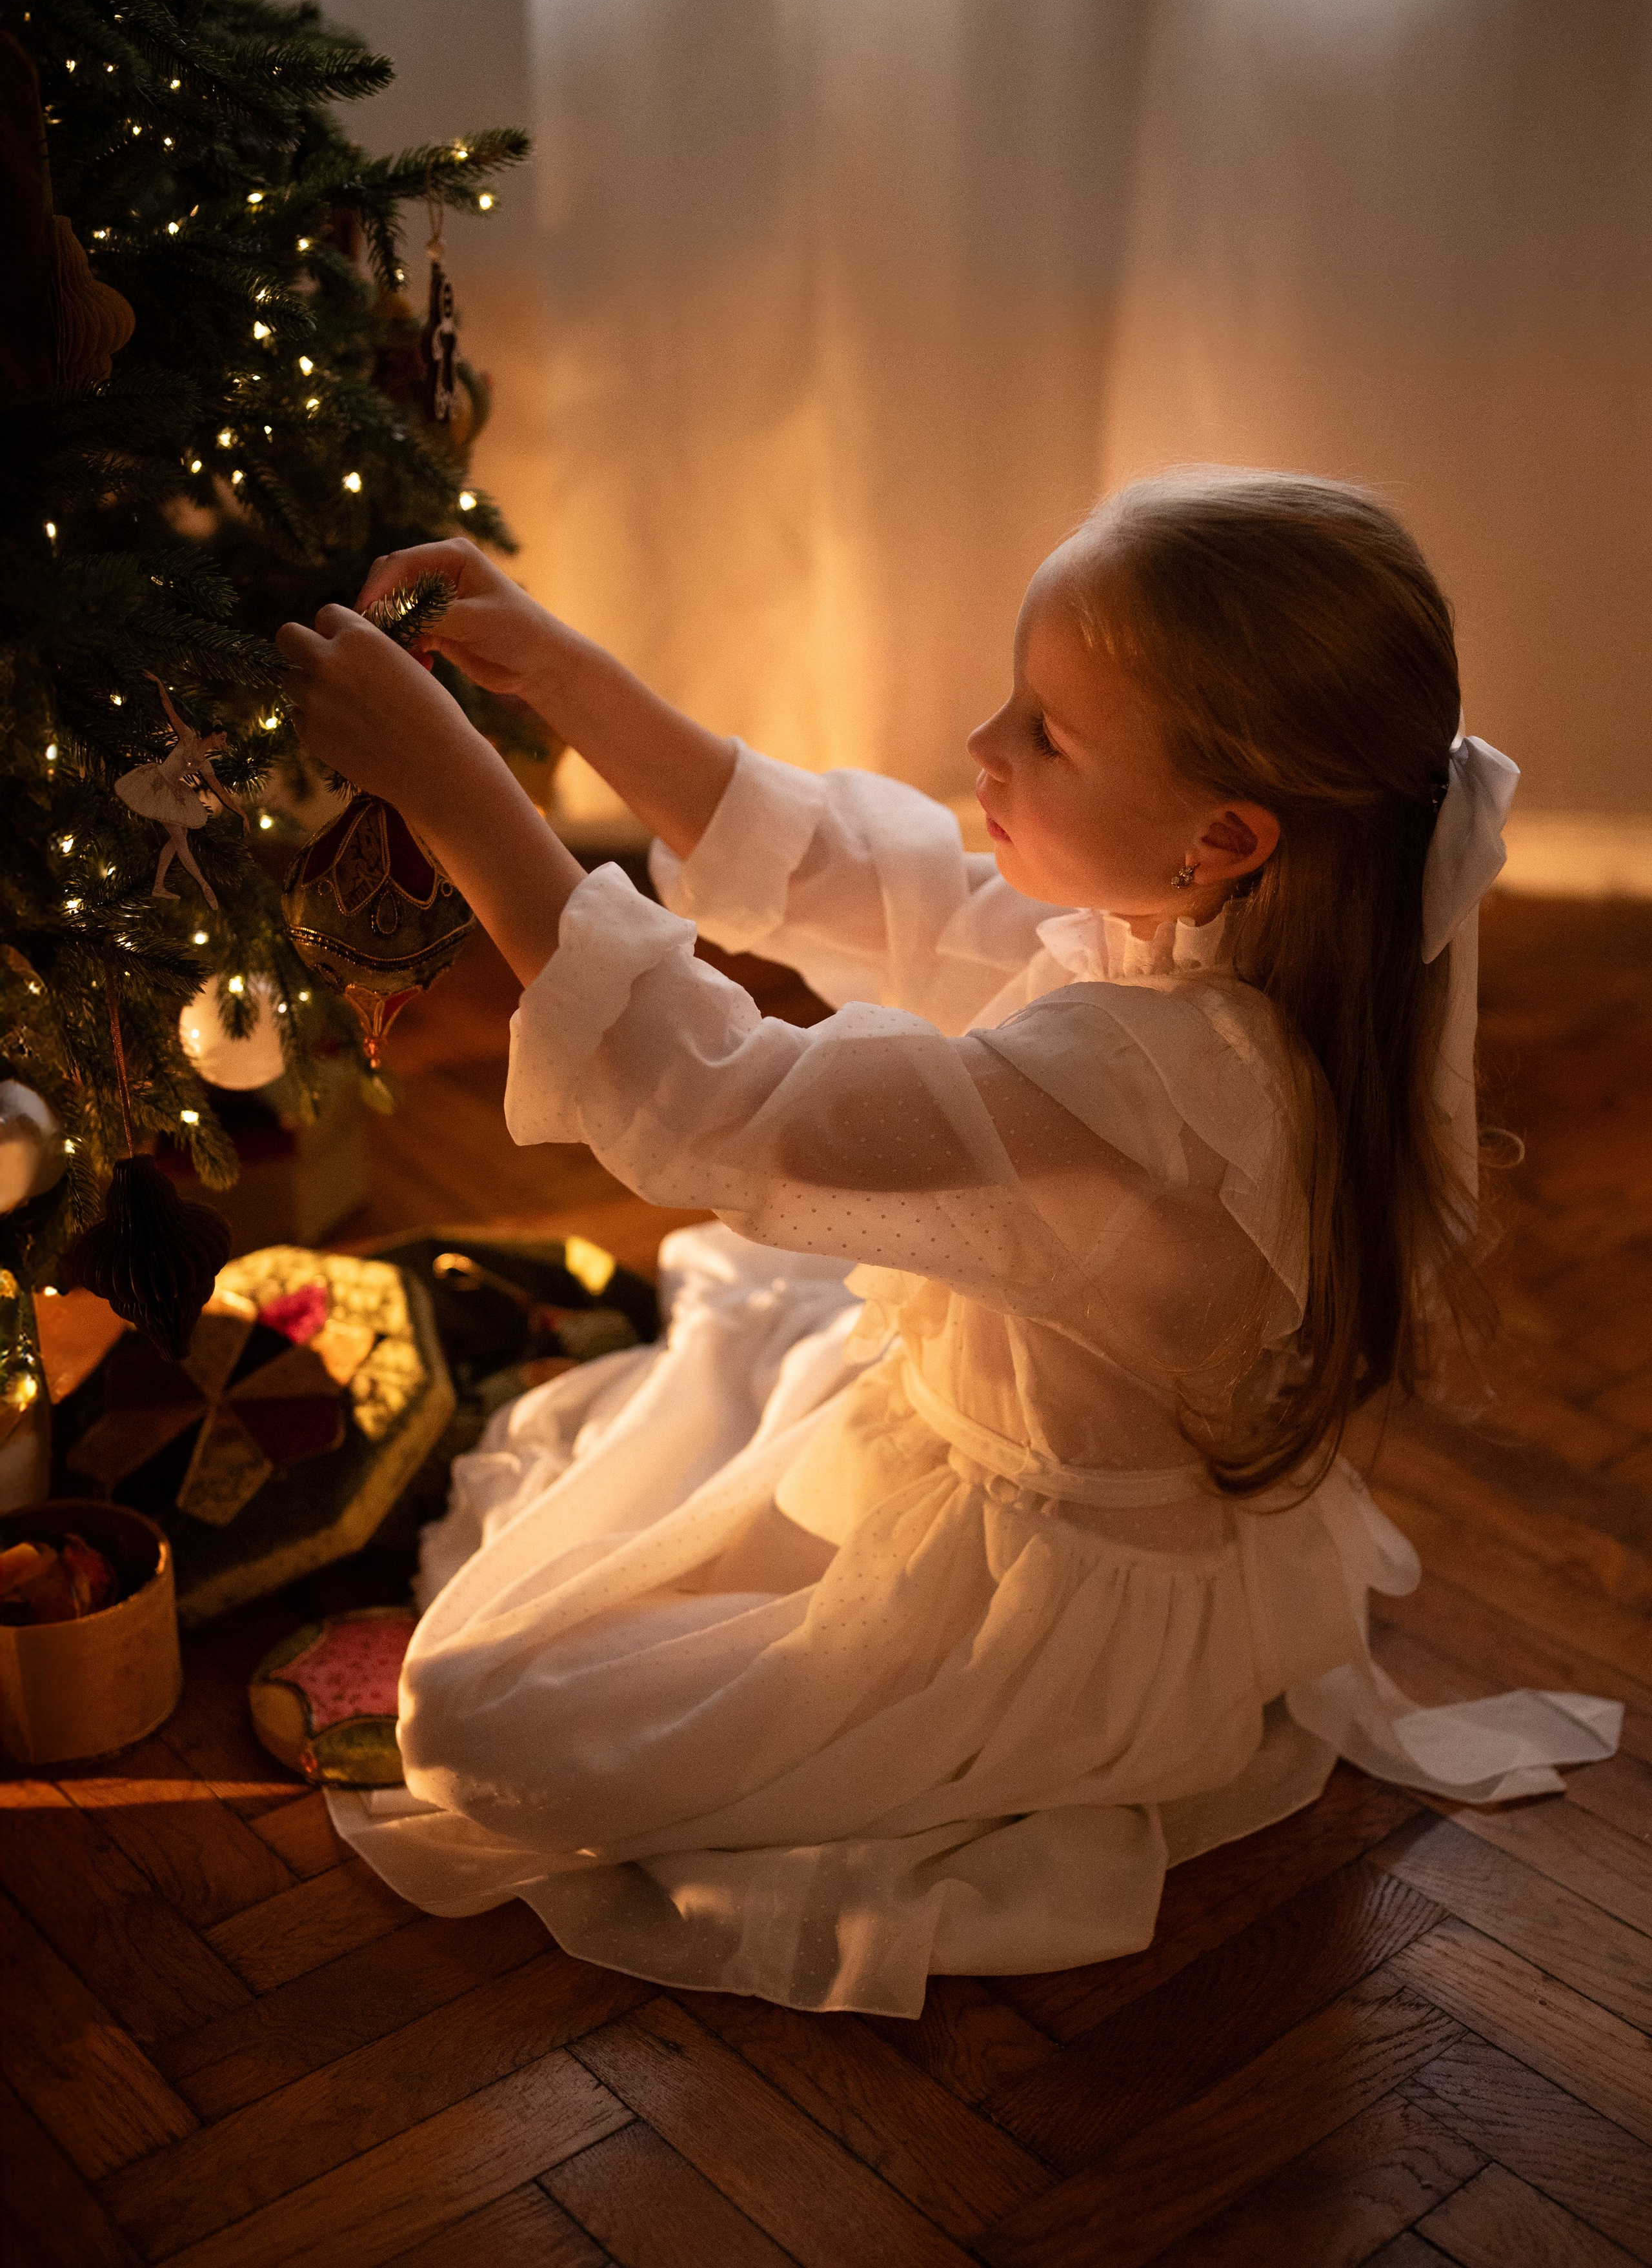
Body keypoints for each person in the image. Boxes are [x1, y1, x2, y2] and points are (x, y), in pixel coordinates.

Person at [279, 468, 1619, 2016]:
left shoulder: (1157, 1085)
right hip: (1020, 1453)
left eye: (1041, 732)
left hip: (1030, 1603)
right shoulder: (1248, 925)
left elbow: (726, 1101)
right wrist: (564, 678)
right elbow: (893, 892)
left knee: (475, 1727)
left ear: (1220, 835)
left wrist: (456, 792)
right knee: (744, 1331)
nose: (982, 746)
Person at [114, 671, 247, 907]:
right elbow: (169, 708)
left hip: (174, 789)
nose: (224, 743)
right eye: (223, 738)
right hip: (157, 782)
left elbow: (221, 792)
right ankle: (204, 884)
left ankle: (158, 887)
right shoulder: (186, 736)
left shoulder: (205, 764)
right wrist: (159, 683)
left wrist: (241, 813)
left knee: (180, 836)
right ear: (213, 735)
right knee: (179, 837)